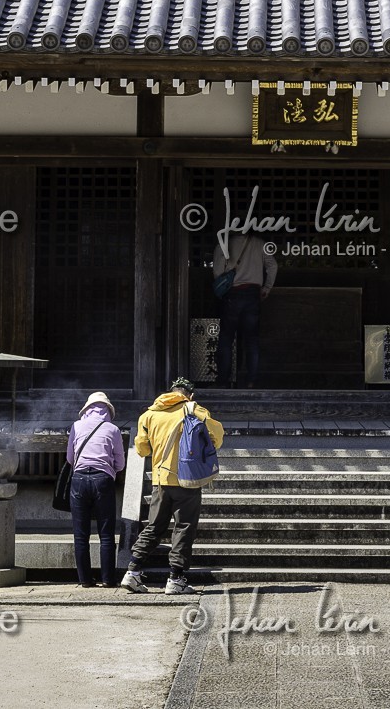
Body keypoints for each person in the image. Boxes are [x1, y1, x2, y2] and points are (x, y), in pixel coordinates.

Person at [121, 377, 224, 595]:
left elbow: (142, 449)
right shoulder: (195, 410)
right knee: (184, 527)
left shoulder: (148, 415)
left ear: (169, 392)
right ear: (190, 395)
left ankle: (132, 571)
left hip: (160, 480)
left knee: (154, 527)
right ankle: (176, 578)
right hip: (187, 480)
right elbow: (217, 437)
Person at [67, 391, 126, 588]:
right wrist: (108, 470)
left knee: (80, 534)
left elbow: (69, 458)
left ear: (87, 409)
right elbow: (120, 462)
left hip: (79, 479)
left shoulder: (76, 426)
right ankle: (108, 579)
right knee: (106, 533)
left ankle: (85, 579)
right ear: (108, 410)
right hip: (103, 480)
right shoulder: (113, 429)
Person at [211, 231, 277, 388]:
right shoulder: (260, 244)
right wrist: (267, 287)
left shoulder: (224, 244)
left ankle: (223, 382)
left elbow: (218, 272)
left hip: (233, 293)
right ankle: (251, 381)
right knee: (252, 340)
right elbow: (272, 265)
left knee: (226, 339)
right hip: (253, 294)